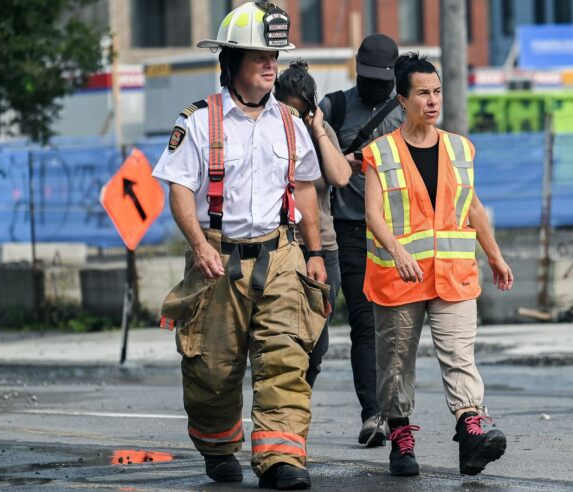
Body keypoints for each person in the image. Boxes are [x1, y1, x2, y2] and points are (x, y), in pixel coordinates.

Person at [152, 3, 329, 489]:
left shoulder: (290, 125)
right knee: (211, 370)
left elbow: (307, 188)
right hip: (217, 257)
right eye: (259, 56)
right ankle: (216, 442)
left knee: (285, 359)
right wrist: (198, 245)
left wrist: (314, 254)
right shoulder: (198, 120)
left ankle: (281, 460)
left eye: (273, 55)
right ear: (230, 62)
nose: (271, 65)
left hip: (281, 255)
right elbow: (179, 189)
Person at [362, 53, 514, 478]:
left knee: (459, 355)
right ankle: (400, 434)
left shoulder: (460, 148)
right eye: (423, 93)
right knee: (395, 363)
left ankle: (471, 430)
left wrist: (496, 255)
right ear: (402, 99)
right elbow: (373, 214)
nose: (432, 101)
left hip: (453, 273)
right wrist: (397, 251)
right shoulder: (381, 152)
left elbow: (473, 206)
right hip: (399, 277)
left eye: (437, 92)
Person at [318, 33, 404, 447]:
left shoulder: (406, 112)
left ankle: (397, 414)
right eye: (367, 77)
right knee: (364, 325)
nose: (373, 86)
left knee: (398, 330)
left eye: (381, 79)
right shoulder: (333, 107)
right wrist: (341, 163)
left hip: (397, 236)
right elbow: (305, 160)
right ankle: (373, 415)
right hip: (349, 229)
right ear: (357, 71)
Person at [274, 60, 351, 387]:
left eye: (300, 113)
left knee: (318, 336)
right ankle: (284, 398)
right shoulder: (268, 131)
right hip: (280, 244)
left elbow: (340, 177)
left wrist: (318, 129)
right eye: (287, 111)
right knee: (282, 330)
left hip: (322, 246)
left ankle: (303, 390)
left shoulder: (318, 132)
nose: (294, 120)